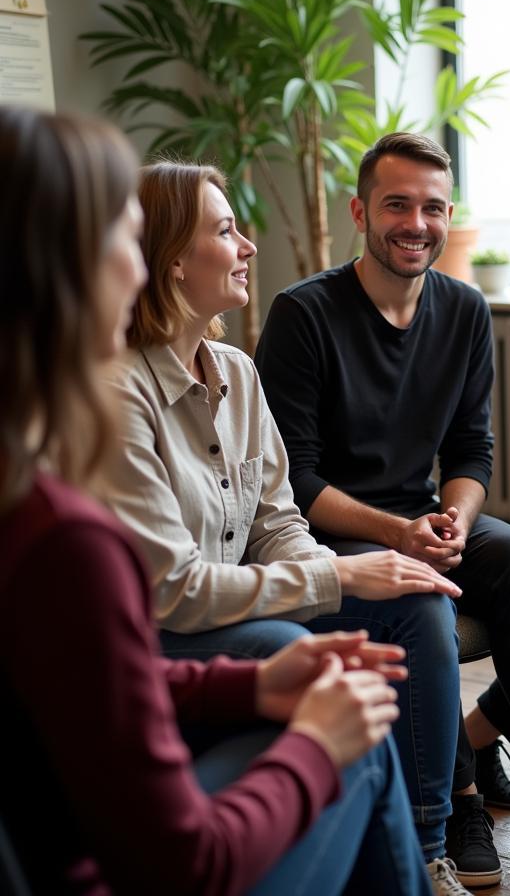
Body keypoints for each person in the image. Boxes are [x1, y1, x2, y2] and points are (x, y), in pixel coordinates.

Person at [0, 105, 431, 895]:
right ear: (60, 271)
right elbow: (186, 865)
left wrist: (252, 684)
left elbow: (85, 675)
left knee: (366, 641)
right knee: (356, 740)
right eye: (117, 244)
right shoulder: (61, 535)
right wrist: (315, 743)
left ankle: (436, 823)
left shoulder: (34, 491)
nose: (132, 270)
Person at [98, 160, 469, 893]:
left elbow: (278, 522)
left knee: (416, 603)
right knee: (296, 646)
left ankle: (431, 842)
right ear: (173, 261)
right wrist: (340, 573)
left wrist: (336, 575)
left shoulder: (236, 369)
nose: (249, 247)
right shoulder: (118, 394)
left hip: (235, 599)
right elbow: (171, 593)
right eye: (227, 230)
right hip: (166, 631)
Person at [254, 132, 510, 886]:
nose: (416, 223)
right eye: (397, 205)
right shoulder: (303, 315)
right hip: (327, 539)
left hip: (419, 521)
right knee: (426, 606)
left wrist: (457, 521)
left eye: (433, 207)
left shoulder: (466, 310)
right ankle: (453, 809)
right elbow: (294, 483)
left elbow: (473, 452)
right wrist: (397, 535)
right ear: (360, 211)